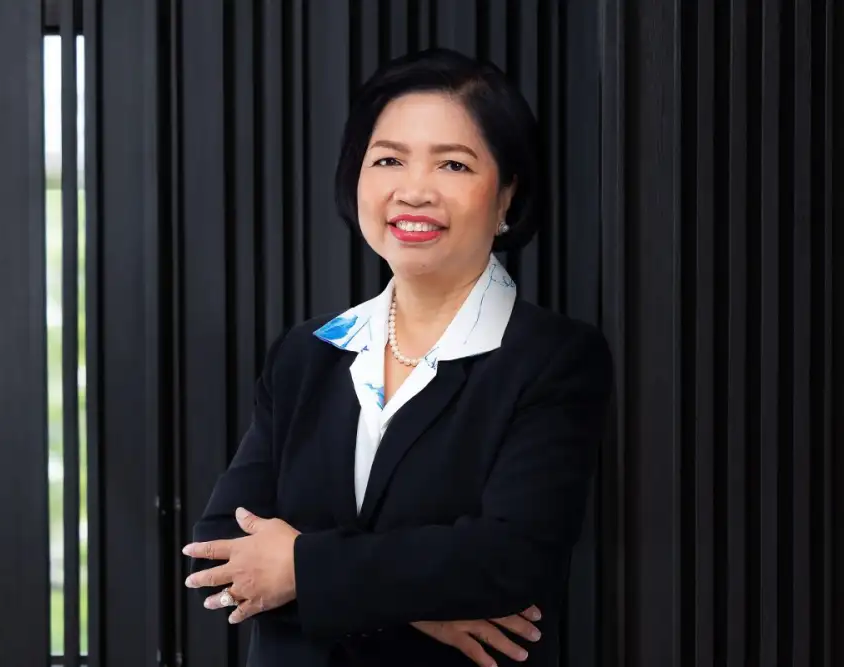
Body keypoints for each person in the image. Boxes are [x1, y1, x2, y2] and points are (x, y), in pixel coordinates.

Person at [182, 47, 613, 667]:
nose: (414, 191)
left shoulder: (553, 358)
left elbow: (511, 560)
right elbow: (220, 545)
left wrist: (300, 568)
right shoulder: (308, 353)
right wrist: (422, 604)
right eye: (388, 159)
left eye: (453, 165)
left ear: (507, 194)